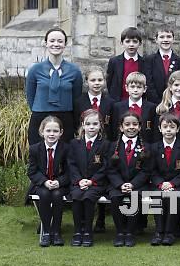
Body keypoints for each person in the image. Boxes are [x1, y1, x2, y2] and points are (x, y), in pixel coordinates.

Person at [26, 27, 83, 145]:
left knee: (65, 153)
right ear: (46, 43)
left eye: (60, 41)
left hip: (65, 119)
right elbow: (30, 97)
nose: (56, 44)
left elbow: (76, 99)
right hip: (40, 117)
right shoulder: (35, 70)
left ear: (65, 44)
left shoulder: (74, 71)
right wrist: (41, 109)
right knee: (38, 151)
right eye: (52, 41)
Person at [106, 111, 151, 247]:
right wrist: (120, 184)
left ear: (140, 127)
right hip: (117, 184)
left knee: (136, 197)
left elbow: (146, 170)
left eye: (135, 124)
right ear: (121, 127)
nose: (131, 127)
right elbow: (110, 169)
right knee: (115, 197)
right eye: (127, 124)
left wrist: (132, 184)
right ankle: (120, 232)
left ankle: (130, 233)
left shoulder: (146, 147)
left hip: (137, 185)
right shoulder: (112, 146)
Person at [67, 109, 109, 247]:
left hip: (96, 183)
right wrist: (79, 180)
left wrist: (91, 181)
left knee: (88, 197)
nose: (91, 127)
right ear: (83, 125)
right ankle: (78, 231)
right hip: (78, 182)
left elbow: (105, 166)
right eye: (88, 124)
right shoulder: (75, 143)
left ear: (100, 125)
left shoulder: (105, 144)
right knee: (77, 196)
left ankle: (88, 232)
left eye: (95, 124)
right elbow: (71, 164)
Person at [149, 113, 180, 246]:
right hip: (160, 184)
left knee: (174, 196)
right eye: (165, 127)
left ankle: (169, 232)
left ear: (177, 129)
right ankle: (159, 232)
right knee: (157, 195)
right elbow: (151, 171)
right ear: (160, 129)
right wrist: (161, 184)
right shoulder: (154, 147)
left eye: (172, 127)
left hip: (179, 184)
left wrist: (172, 184)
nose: (168, 130)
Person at [27, 116, 70, 247]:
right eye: (48, 131)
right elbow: (32, 172)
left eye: (55, 131)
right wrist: (44, 181)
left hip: (60, 184)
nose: (52, 134)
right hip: (42, 184)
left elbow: (70, 172)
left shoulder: (66, 149)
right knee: (44, 194)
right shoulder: (35, 149)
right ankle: (46, 231)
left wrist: (59, 182)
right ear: (42, 132)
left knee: (57, 195)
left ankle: (56, 231)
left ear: (61, 133)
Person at [143, 28, 180, 104]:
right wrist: (159, 102)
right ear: (156, 40)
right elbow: (148, 83)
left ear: (173, 39)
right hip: (154, 103)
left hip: (174, 102)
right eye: (162, 37)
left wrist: (171, 101)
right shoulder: (149, 60)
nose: (165, 40)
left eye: (169, 37)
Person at [110, 72, 156, 142]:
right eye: (132, 87)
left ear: (144, 89)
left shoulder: (151, 107)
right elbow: (114, 129)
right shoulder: (117, 107)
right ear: (126, 88)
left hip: (145, 144)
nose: (135, 90)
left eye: (139, 87)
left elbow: (153, 131)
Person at [74, 65, 115, 140]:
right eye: (93, 80)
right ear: (86, 82)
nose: (97, 83)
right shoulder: (78, 103)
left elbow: (112, 127)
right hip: (84, 141)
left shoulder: (111, 103)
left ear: (104, 81)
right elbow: (76, 124)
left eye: (100, 80)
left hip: (105, 142)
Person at [106, 27, 144, 101]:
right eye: (127, 41)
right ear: (122, 43)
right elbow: (109, 82)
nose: (131, 44)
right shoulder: (114, 61)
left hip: (138, 101)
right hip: (118, 101)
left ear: (140, 43)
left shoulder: (144, 62)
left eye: (135, 41)